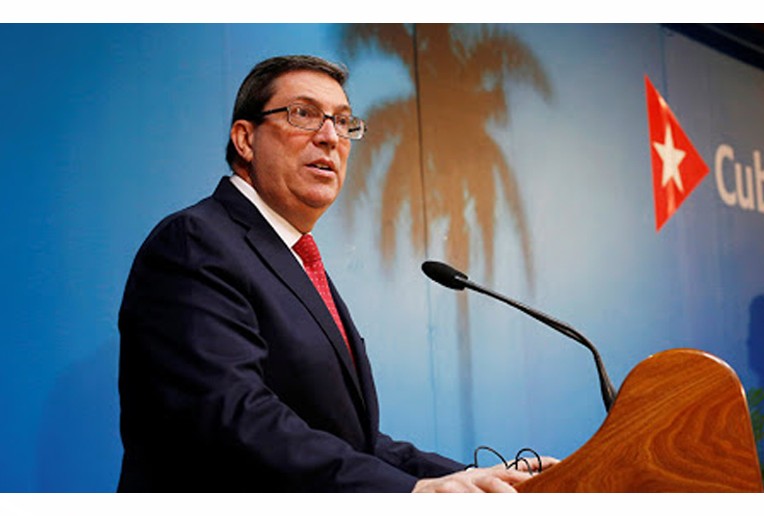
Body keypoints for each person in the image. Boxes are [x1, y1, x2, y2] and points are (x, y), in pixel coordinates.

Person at [118, 54, 549, 493]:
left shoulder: (294, 258)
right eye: (303, 114)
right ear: (245, 139)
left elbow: (357, 444)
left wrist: (477, 479)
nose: (329, 137)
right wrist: (410, 494)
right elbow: (233, 417)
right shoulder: (195, 242)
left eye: (343, 122)